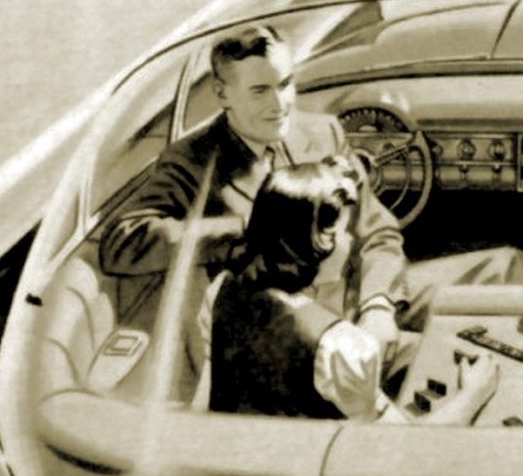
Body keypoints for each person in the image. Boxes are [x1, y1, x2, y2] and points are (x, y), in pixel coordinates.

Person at [100, 24, 523, 368]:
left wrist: (378, 303)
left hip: (359, 292)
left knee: (504, 267)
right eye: (260, 91)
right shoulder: (192, 160)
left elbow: (378, 231)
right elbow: (122, 240)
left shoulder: (322, 131)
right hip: (296, 325)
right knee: (459, 358)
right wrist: (248, 228)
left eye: (286, 84)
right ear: (221, 94)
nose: (280, 105)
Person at [207, 157, 499, 424]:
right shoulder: (338, 346)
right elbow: (406, 447)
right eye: (344, 232)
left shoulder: (225, 288)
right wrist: (473, 394)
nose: (351, 243)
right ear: (316, 243)